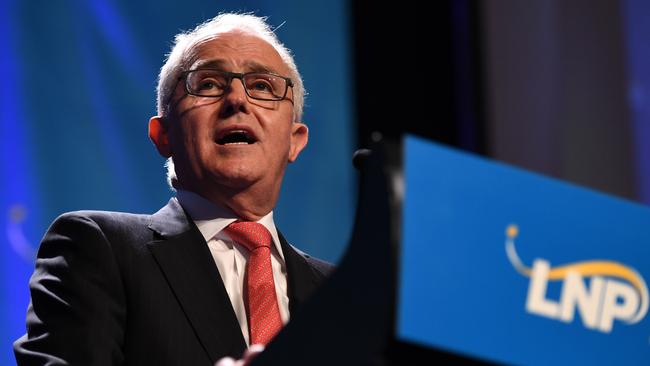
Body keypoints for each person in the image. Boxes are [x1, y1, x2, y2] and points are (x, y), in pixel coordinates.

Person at [14, 12, 334, 365]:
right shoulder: (97, 247)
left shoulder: (339, 291)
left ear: (294, 139)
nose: (237, 99)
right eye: (208, 83)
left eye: (262, 86)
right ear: (163, 135)